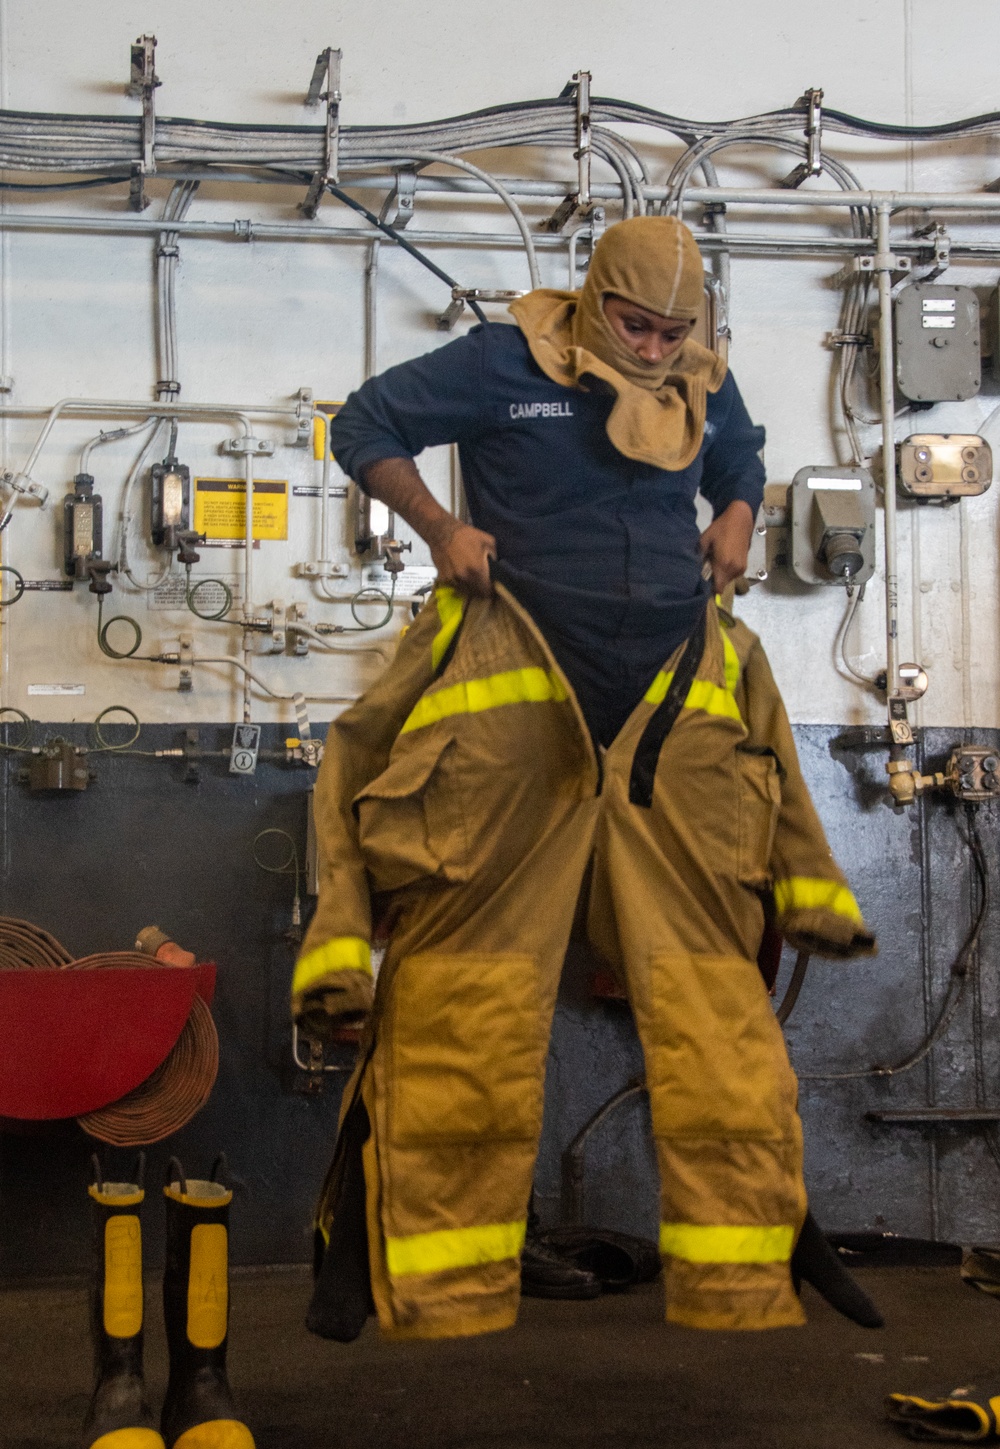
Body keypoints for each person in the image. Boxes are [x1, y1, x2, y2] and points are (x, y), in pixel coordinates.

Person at [291, 216, 876, 1342]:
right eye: (634, 325)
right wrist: (439, 527)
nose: (655, 349)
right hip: (516, 691)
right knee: (460, 1000)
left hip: (664, 703)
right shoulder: (503, 358)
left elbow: (740, 453)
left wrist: (738, 520)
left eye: (673, 331)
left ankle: (756, 1263)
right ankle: (380, 1267)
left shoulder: (699, 367)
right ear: (590, 296)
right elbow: (362, 424)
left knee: (716, 1001)